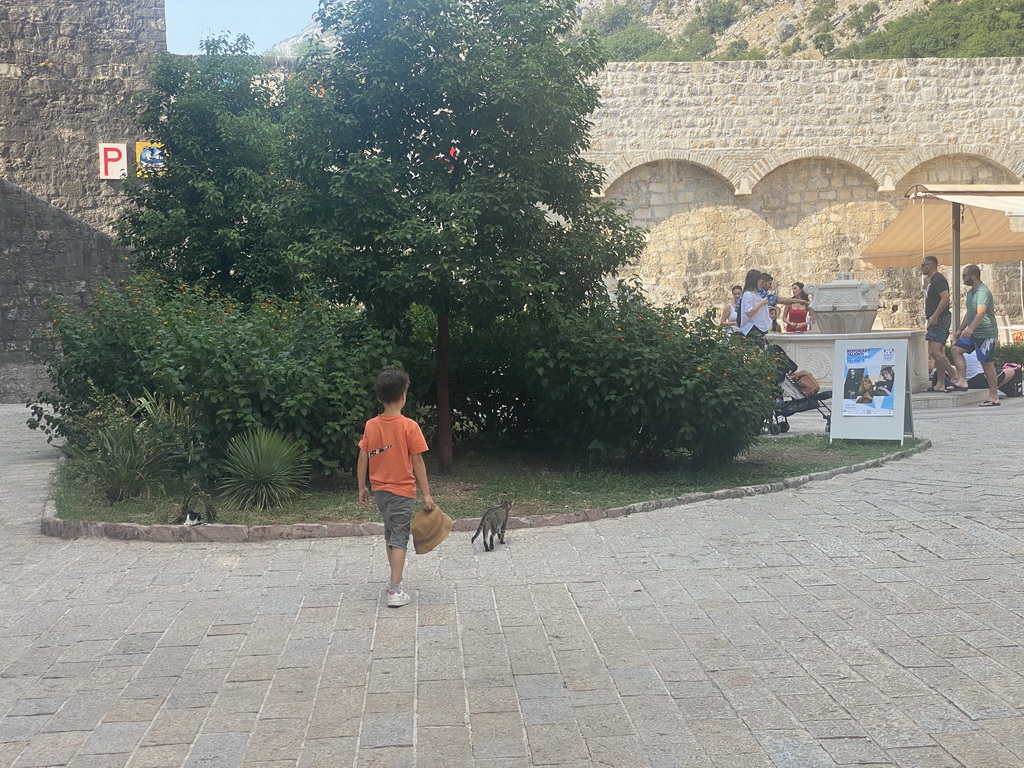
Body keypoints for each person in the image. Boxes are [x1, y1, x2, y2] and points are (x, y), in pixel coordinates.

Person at [357, 369, 436, 607]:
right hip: (402, 492)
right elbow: (418, 461)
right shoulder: (409, 426)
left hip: (380, 492)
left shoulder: (371, 425)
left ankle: (394, 579)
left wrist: (362, 486)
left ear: (379, 398)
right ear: (404, 396)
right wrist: (426, 493)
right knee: (400, 537)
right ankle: (395, 590)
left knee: (390, 533)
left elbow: (363, 457)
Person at [949, 264, 1001, 407]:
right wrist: (960, 329)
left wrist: (970, 329)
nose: (963, 278)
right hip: (973, 333)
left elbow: (981, 312)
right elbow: (970, 313)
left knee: (986, 364)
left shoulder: (983, 292)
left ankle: (993, 396)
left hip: (985, 334)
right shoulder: (971, 293)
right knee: (956, 350)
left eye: (964, 275)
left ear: (972, 276)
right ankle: (962, 380)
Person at [921, 256, 958, 392]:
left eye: (923, 265)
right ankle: (940, 383)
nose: (922, 267)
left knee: (933, 351)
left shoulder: (938, 279)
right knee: (940, 351)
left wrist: (935, 316)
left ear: (930, 265)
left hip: (939, 319)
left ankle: (954, 377)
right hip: (938, 319)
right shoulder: (934, 280)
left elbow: (945, 297)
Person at [739, 269, 772, 339]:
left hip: (760, 326)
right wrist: (761, 303)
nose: (761, 282)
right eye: (760, 280)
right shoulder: (748, 294)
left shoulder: (756, 293)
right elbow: (749, 312)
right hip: (752, 327)